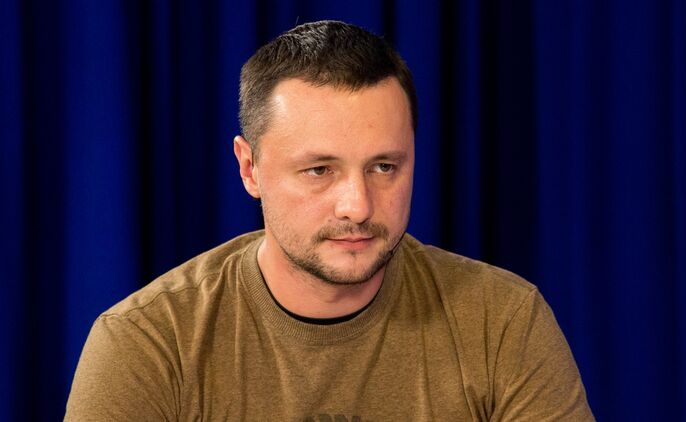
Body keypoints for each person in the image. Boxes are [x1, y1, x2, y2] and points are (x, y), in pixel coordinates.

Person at [65, 20, 594, 421]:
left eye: (384, 167)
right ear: (249, 169)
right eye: (320, 171)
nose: (357, 206)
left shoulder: (502, 321)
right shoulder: (149, 344)